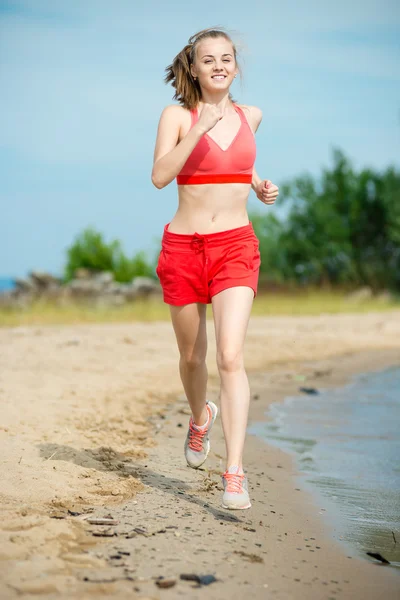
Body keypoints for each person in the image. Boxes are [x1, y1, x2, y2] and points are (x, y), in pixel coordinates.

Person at [151, 27, 279, 510]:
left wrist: (260, 183)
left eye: (227, 59)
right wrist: (200, 127)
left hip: (235, 246)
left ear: (235, 67)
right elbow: (161, 176)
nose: (220, 66)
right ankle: (199, 417)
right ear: (195, 67)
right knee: (192, 358)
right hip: (184, 248)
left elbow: (237, 164)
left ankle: (235, 472)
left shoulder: (252, 115)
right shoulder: (176, 115)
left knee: (230, 357)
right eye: (210, 60)